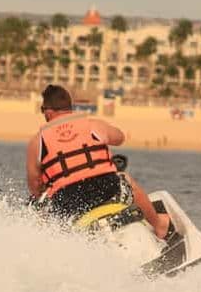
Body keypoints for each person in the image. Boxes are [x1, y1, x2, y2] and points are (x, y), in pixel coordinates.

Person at [26, 84, 171, 239]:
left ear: (47, 110)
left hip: (68, 202)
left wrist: (44, 190)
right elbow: (120, 137)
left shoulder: (37, 142)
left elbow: (35, 185)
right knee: (127, 180)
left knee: (42, 212)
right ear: (70, 107)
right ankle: (159, 225)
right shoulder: (93, 125)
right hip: (105, 190)